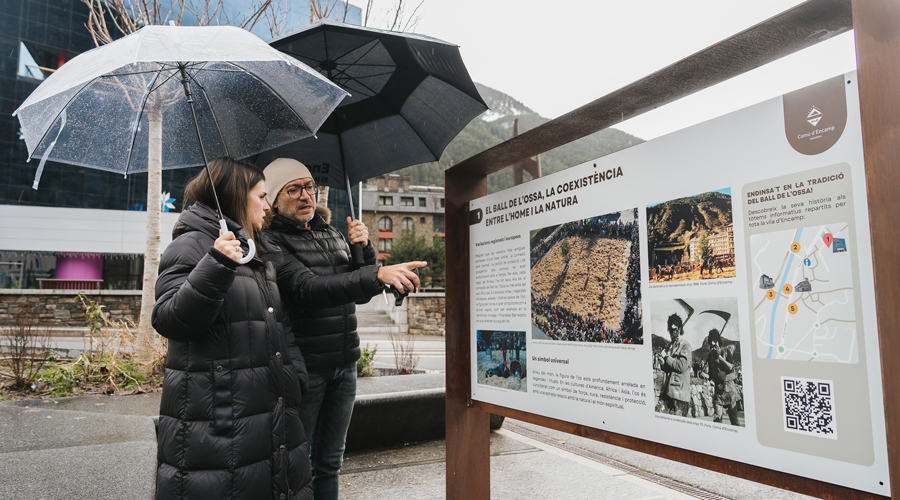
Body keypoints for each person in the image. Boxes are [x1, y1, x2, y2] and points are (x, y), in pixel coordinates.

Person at [262, 158, 425, 500]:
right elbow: (309, 289)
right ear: (275, 200)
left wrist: (363, 250)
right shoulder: (270, 242)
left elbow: (360, 292)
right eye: (294, 189)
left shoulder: (331, 232)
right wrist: (375, 273)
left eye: (310, 186)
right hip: (306, 368)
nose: (306, 195)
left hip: (345, 363)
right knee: (300, 460)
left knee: (332, 460)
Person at [152, 157, 312, 500]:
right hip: (220, 417)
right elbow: (169, 320)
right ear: (237, 198)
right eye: (261, 196)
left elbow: (277, 321)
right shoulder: (191, 246)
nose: (267, 207)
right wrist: (216, 263)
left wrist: (293, 376)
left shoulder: (255, 249)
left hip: (271, 407)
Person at [656, 313, 692, 417]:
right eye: (671, 330)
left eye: (675, 329)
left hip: (679, 394)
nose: (673, 332)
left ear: (680, 329)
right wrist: (663, 363)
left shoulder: (685, 345)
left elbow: (681, 366)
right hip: (667, 391)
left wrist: (666, 357)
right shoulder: (669, 347)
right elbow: (669, 367)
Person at [702, 328, 740, 425]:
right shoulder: (710, 357)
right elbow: (711, 375)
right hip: (718, 392)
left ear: (719, 341)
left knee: (734, 420)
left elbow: (731, 367)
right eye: (712, 342)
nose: (714, 344)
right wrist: (705, 376)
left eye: (716, 342)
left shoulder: (726, 351)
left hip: (729, 390)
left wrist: (720, 357)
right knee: (717, 420)